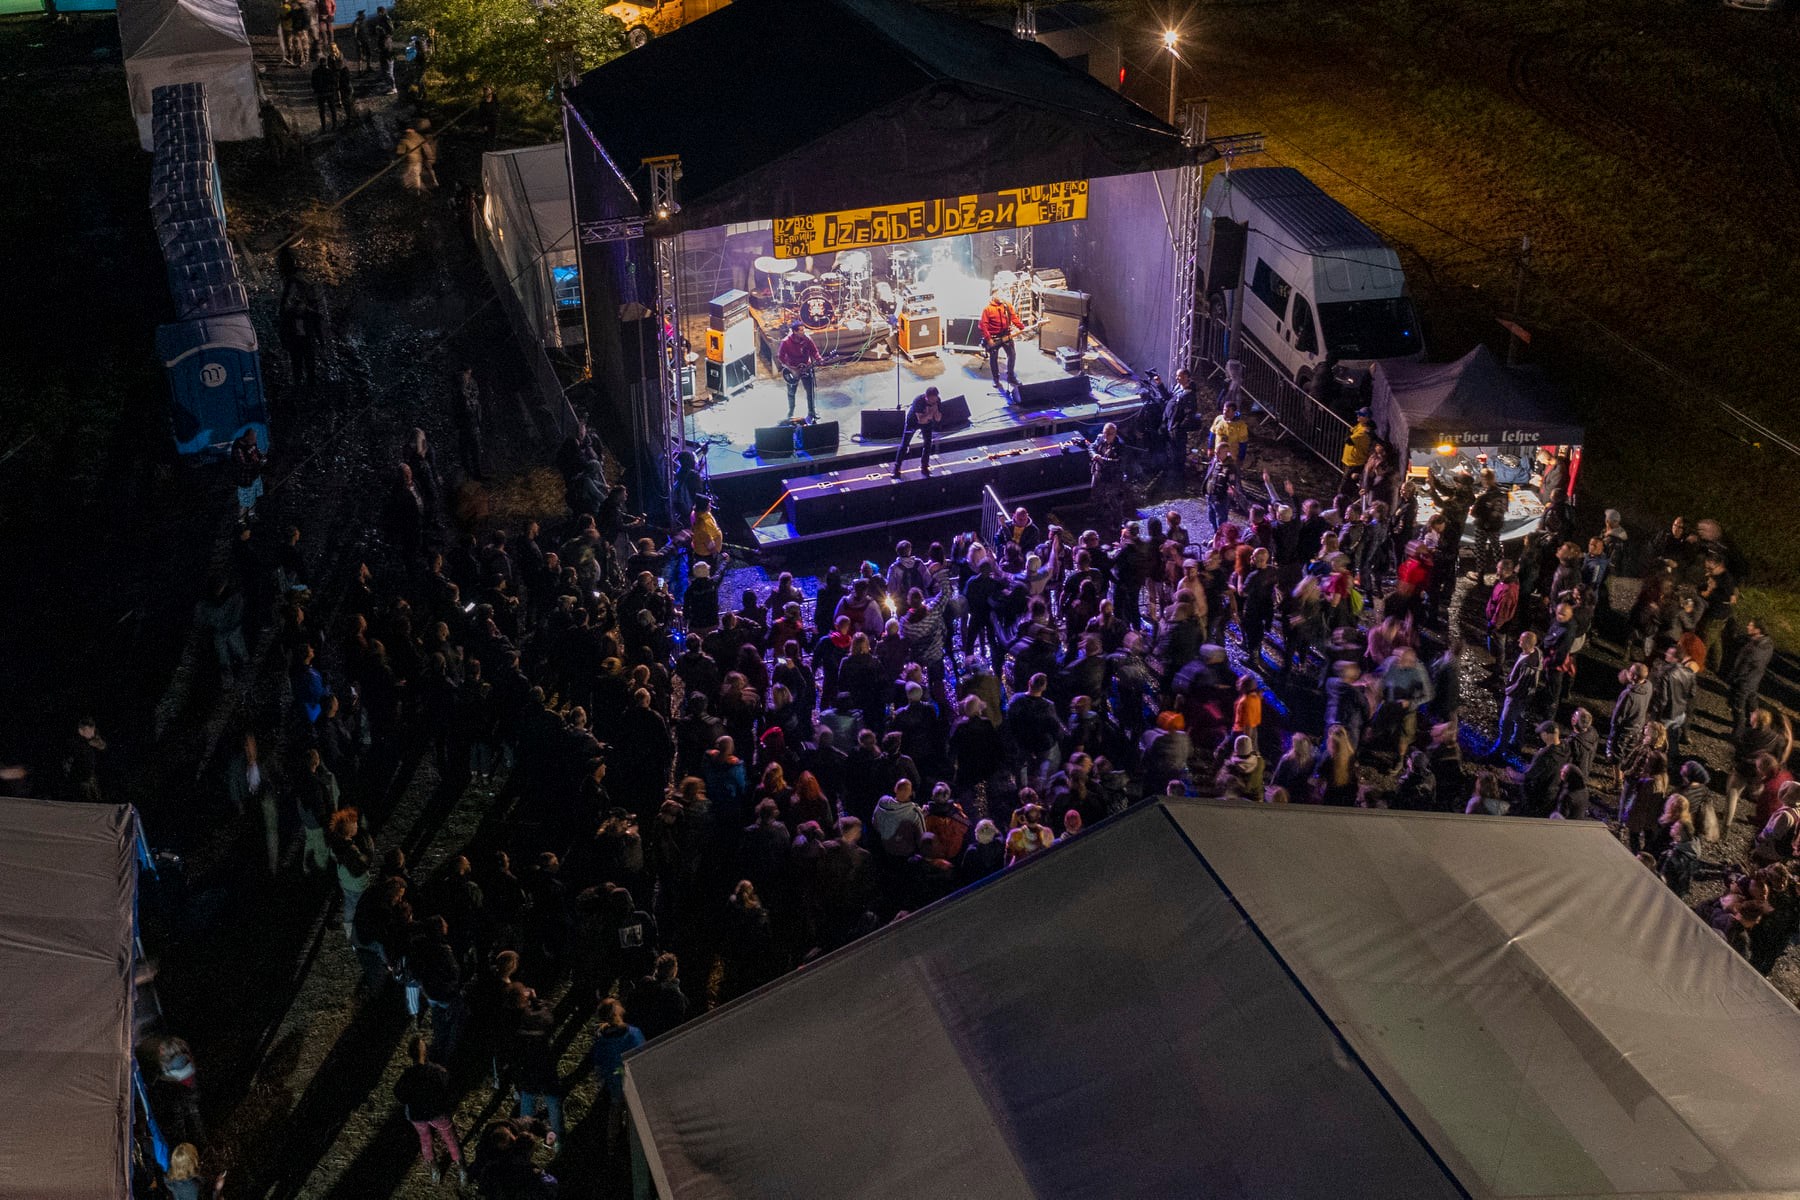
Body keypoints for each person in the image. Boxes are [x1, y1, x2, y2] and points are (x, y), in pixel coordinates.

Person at [394, 1036, 465, 1185]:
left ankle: (434, 1169)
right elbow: (450, 1089)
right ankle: (461, 1168)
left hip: (417, 1115)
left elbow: (399, 1094)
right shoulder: (437, 1071)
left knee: (425, 1139)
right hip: (438, 1113)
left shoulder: (407, 1075)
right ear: (425, 1052)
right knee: (449, 1138)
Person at [590, 997, 646, 1150]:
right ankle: (631, 1142)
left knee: (615, 1109)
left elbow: (598, 1063)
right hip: (632, 1082)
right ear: (619, 1012)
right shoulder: (633, 1034)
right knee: (632, 1113)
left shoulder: (601, 1039)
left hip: (613, 1082)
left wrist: (603, 1078)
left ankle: (611, 1143)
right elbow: (642, 1055)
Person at [1728, 618, 1774, 740]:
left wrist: (1735, 678)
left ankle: (1737, 734)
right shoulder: (1768, 644)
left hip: (1744, 681)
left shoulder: (1754, 649)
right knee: (1752, 702)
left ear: (1758, 630)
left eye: (1751, 625)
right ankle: (1755, 724)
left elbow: (1742, 667)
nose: (1747, 627)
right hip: (1755, 679)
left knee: (1738, 707)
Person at [777, 321, 823, 422]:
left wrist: (819, 358)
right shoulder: (786, 342)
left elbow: (814, 351)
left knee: (810, 391)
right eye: (801, 330)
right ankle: (791, 411)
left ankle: (811, 411)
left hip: (806, 367)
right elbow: (780, 357)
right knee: (791, 392)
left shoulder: (807, 339)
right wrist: (791, 369)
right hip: (792, 369)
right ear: (795, 332)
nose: (803, 332)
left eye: (803, 330)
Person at [893, 386, 944, 478]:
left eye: (935, 399)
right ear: (926, 397)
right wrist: (931, 412)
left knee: (928, 443)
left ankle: (924, 466)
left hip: (927, 423)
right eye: (931, 400)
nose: (933, 402)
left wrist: (935, 410)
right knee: (904, 445)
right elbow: (921, 420)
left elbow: (938, 419)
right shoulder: (918, 401)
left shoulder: (937, 401)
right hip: (913, 422)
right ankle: (896, 468)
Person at [979, 289, 1024, 389]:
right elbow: (983, 325)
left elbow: (1014, 318)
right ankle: (996, 379)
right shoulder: (987, 309)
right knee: (993, 358)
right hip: (993, 337)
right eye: (999, 294)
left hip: (1006, 335)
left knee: (1012, 355)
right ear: (993, 295)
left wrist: (1022, 327)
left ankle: (1011, 377)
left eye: (1002, 294)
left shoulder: (1007, 306)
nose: (1001, 296)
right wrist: (989, 339)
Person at [454, 366, 484, 480]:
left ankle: (477, 473)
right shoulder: (459, 391)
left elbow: (474, 399)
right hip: (466, 424)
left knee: (475, 448)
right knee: (468, 450)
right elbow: (464, 407)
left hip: (472, 423)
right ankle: (471, 474)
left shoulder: (470, 386)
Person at [231, 430, 265, 521]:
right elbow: (243, 465)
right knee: (244, 501)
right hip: (245, 479)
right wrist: (258, 464)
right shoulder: (238, 448)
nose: (255, 440)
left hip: (254, 476)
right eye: (253, 438)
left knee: (253, 496)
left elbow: (256, 452)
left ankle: (251, 514)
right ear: (247, 437)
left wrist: (261, 457)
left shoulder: (251, 443)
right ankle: (241, 520)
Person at [395, 119, 438, 192]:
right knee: (418, 181)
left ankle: (419, 194)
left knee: (411, 184)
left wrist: (396, 160)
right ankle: (427, 191)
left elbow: (400, 153)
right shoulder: (419, 137)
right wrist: (430, 159)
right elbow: (426, 149)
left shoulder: (404, 139)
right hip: (419, 163)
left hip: (410, 163)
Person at [310, 55, 338, 130]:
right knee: (332, 109)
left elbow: (313, 83)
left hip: (320, 93)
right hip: (329, 93)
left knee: (322, 111)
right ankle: (334, 125)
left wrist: (316, 90)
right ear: (326, 63)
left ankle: (323, 127)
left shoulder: (315, 72)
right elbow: (334, 81)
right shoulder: (329, 71)